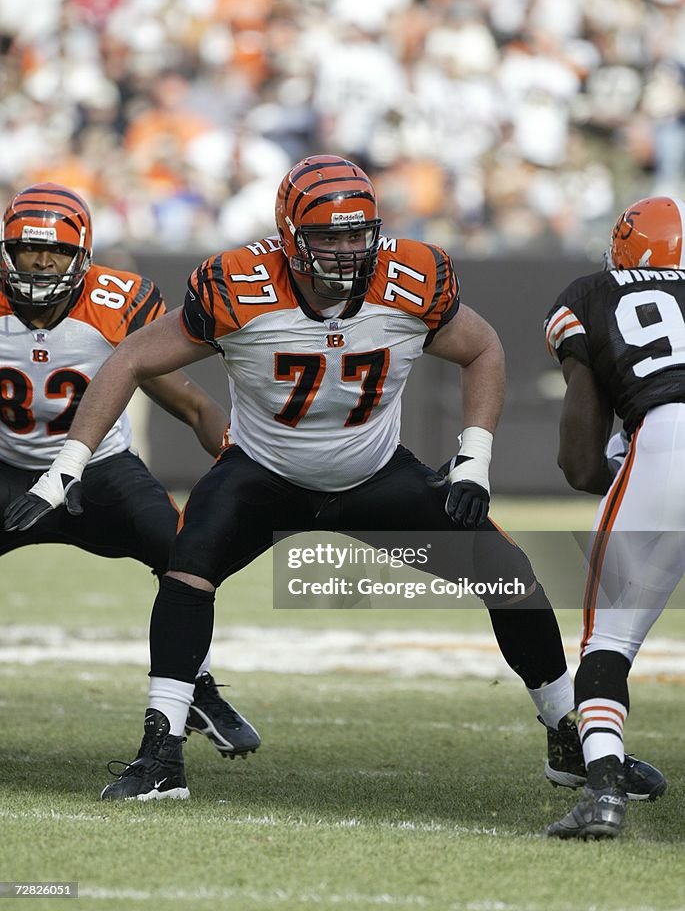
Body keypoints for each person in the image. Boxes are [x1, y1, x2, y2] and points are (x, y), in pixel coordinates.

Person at [4, 157, 661, 804]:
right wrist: (65, 469)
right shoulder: (240, 286)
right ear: (290, 236)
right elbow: (133, 357)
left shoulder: (409, 279)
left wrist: (473, 459)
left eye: (357, 233)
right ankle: (162, 752)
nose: (347, 250)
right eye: (328, 236)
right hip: (262, 474)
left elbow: (481, 348)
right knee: (185, 571)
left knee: (508, 577)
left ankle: (565, 734)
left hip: (373, 472)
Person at [0, 182, 260, 764]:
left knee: (186, 554)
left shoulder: (115, 302)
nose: (42, 261)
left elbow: (190, 401)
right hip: (9, 468)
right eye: (28, 248)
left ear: (84, 257)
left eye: (59, 251)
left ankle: (195, 687)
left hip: (100, 470)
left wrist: (236, 464)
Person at [543, 194, 685, 838]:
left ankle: (602, 787)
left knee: (609, 640)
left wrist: (607, 476)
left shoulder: (591, 291)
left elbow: (579, 457)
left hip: (666, 442)